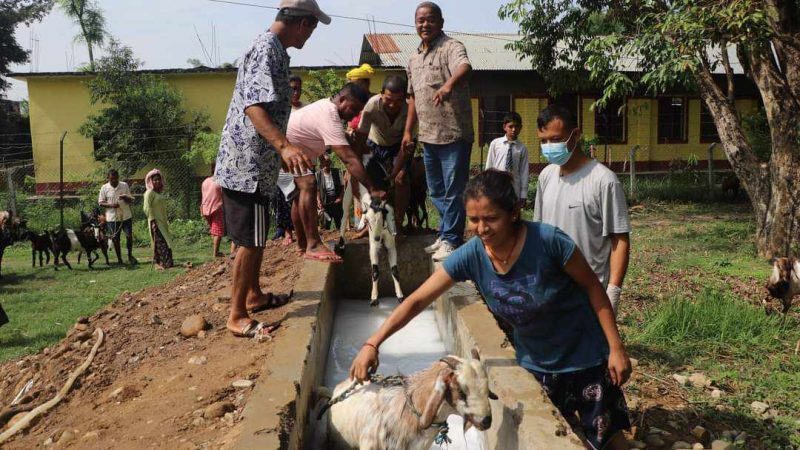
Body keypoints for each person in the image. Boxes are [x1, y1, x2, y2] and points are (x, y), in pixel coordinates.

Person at [350, 170, 633, 450]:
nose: (481, 228)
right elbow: (416, 301)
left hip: (586, 357)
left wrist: (615, 347)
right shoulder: (472, 255)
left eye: (491, 218)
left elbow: (593, 289)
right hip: (537, 363)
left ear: (513, 213)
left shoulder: (548, 241)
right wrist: (373, 342)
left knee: (607, 440)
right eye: (474, 220)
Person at [214, 0, 329, 339]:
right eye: (313, 28)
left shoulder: (274, 50)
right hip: (246, 166)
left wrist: (279, 152)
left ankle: (253, 295)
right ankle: (237, 315)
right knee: (250, 239)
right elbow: (254, 108)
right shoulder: (266, 49)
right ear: (303, 23)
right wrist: (284, 146)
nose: (311, 35)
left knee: (257, 233)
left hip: (256, 164)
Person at [533, 105, 631, 314]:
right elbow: (539, 231)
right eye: (543, 141)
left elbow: (619, 239)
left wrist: (613, 291)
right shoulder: (546, 177)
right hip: (552, 288)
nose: (549, 146)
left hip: (589, 292)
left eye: (556, 139)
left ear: (575, 135)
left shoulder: (603, 181)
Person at [284, 82, 387, 263]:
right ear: (342, 99)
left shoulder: (326, 108)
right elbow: (348, 159)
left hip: (291, 152)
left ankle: (303, 245)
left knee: (300, 194)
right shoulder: (329, 114)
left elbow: (336, 137)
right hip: (281, 151)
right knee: (309, 184)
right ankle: (313, 244)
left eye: (358, 112)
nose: (354, 114)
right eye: (353, 109)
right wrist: (372, 188)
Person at [402, 1, 474, 262]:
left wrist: (448, 86)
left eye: (430, 19)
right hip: (428, 136)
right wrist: (408, 131)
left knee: (454, 190)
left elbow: (465, 68)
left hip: (454, 133)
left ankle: (453, 240)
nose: (425, 24)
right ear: (415, 23)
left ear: (440, 23)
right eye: (420, 20)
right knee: (437, 191)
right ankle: (445, 235)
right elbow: (412, 98)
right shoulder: (413, 58)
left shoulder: (451, 47)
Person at [353, 75, 412, 232]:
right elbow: (360, 140)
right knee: (374, 184)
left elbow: (405, 149)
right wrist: (354, 167)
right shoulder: (371, 106)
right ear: (381, 94)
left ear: (405, 97)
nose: (392, 105)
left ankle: (398, 221)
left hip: (399, 146)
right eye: (388, 99)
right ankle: (371, 223)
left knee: (401, 179)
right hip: (375, 144)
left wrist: (394, 174)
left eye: (398, 100)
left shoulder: (410, 111)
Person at [485, 112, 529, 208]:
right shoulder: (495, 144)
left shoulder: (522, 148)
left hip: (514, 188)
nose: (514, 129)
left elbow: (524, 172)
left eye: (516, 127)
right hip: (497, 186)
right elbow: (489, 166)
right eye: (510, 126)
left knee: (512, 213)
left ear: (520, 128)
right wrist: (487, 188)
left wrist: (523, 194)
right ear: (505, 127)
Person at [98, 169, 137, 265]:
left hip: (126, 216)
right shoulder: (104, 188)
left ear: (118, 178)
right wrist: (112, 205)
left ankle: (130, 255)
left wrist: (125, 197)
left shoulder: (124, 185)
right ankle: (119, 259)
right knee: (116, 239)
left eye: (116, 178)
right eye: (112, 179)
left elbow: (131, 200)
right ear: (108, 178)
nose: (114, 180)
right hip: (112, 218)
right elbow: (101, 202)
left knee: (129, 236)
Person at [201, 164, 236, 258]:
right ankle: (215, 253)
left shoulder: (205, 181)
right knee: (218, 232)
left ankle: (216, 250)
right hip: (216, 208)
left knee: (214, 230)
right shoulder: (220, 182)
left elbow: (203, 195)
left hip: (205, 209)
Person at [143, 169, 173, 270]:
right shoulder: (149, 193)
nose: (157, 182)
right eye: (154, 180)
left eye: (158, 180)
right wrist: (152, 221)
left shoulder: (159, 193)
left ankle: (167, 262)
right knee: (160, 242)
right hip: (155, 222)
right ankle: (161, 263)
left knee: (166, 240)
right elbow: (147, 208)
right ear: (150, 181)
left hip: (163, 221)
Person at [315, 154, 344, 230]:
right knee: (325, 226)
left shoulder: (337, 172)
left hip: (336, 201)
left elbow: (342, 187)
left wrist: (340, 198)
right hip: (325, 202)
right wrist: (318, 200)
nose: (325, 164)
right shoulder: (318, 175)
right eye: (323, 162)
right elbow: (317, 190)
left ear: (330, 162)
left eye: (327, 161)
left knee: (339, 223)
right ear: (321, 164)